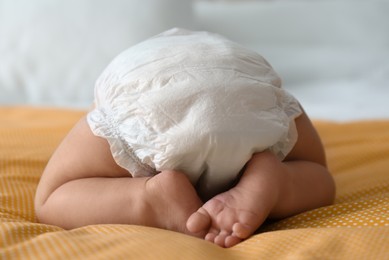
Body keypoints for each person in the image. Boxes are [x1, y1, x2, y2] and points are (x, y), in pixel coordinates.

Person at [34, 28, 335, 248]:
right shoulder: (230, 54)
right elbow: (319, 169)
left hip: (146, 100)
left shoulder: (132, 67)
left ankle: (149, 199)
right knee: (316, 172)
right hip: (246, 93)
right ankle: (277, 180)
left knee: (52, 197)